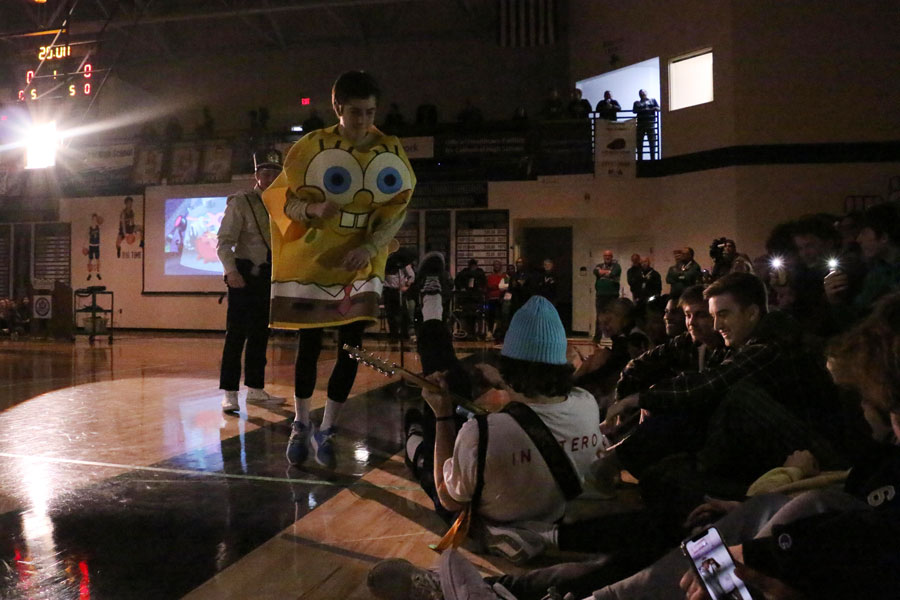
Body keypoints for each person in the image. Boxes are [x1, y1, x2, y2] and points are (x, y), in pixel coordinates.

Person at [374, 293, 900, 600]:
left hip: (770, 570)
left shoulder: (485, 430)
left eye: (864, 395)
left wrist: (763, 545)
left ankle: (505, 585)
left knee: (679, 562)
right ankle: (508, 587)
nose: (857, 408)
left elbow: (856, 541)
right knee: (676, 540)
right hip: (762, 540)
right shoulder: (582, 400)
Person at [265, 70, 416, 468]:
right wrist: (312, 209)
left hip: (359, 268)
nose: (364, 121)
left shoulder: (390, 150)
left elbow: (396, 214)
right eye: (356, 113)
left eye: (370, 112)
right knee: (309, 348)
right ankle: (301, 424)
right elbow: (285, 203)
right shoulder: (311, 148)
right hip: (314, 264)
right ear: (337, 108)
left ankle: (328, 427)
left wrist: (369, 246)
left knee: (351, 351)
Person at [216, 149, 285, 414]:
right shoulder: (242, 201)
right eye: (265, 173)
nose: (269, 178)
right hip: (244, 275)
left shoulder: (283, 202)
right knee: (236, 335)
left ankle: (256, 389)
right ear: (256, 175)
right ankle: (230, 393)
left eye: (275, 173)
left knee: (261, 334)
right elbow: (224, 242)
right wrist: (231, 272)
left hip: (270, 276)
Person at [593, 250, 621, 337]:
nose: (607, 257)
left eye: (609, 256)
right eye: (605, 256)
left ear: (611, 257)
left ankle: (614, 338)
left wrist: (603, 272)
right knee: (599, 317)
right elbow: (596, 271)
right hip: (601, 296)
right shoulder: (599, 266)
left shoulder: (616, 266)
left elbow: (614, 273)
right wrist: (607, 272)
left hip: (612, 296)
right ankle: (597, 338)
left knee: (612, 317)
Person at [633, 89, 660, 160]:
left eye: (643, 92)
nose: (642, 93)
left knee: (652, 141)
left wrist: (654, 108)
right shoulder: (637, 102)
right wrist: (646, 109)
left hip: (650, 124)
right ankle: (639, 159)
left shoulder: (652, 100)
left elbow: (659, 108)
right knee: (639, 142)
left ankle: (653, 159)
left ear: (646, 93)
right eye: (640, 92)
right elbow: (634, 110)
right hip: (640, 124)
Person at [86, 213, 102, 281]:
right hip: (91, 245)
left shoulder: (98, 227)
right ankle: (90, 274)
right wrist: (84, 246)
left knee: (97, 260)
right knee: (90, 260)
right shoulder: (89, 228)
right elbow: (86, 236)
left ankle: (98, 273)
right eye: (94, 219)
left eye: (96, 219)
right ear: (92, 219)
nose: (95, 220)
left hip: (97, 245)